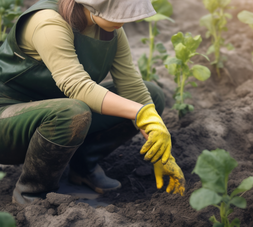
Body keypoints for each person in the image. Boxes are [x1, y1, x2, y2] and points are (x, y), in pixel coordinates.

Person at [0, 0, 185, 204]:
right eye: (116, 13)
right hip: (8, 120)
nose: (122, 21)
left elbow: (133, 88)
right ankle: (31, 195)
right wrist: (140, 113)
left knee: (152, 96)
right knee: (73, 111)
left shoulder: (109, 30)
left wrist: (160, 149)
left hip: (53, 113)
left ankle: (82, 167)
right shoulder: (49, 22)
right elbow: (76, 86)